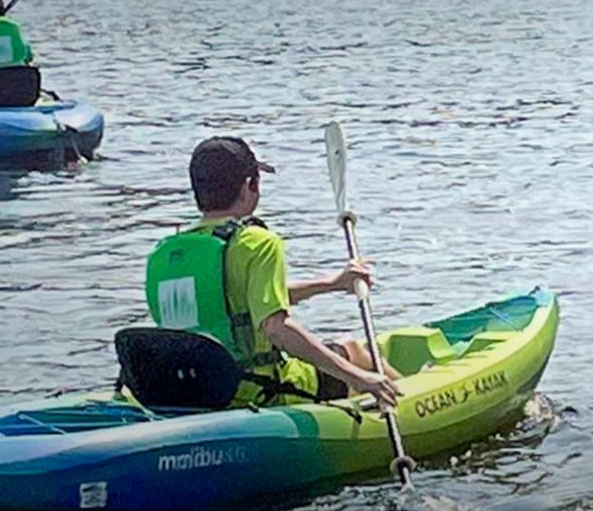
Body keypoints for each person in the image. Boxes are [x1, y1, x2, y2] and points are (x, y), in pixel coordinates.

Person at [144, 136, 402, 409]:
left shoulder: (163, 255)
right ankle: (413, 402)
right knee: (353, 351)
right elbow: (276, 328)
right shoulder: (257, 243)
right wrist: (360, 378)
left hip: (190, 390)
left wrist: (331, 284)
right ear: (248, 186)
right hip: (259, 392)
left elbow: (235, 302)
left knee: (346, 353)